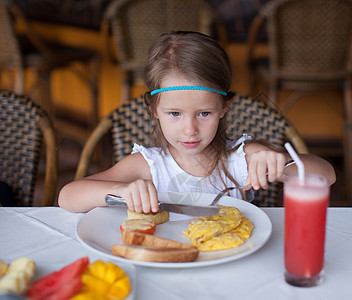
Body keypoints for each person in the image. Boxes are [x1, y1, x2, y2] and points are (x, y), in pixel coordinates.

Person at [58, 31, 336, 213]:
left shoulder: (237, 161)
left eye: (204, 113)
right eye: (174, 114)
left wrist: (279, 163)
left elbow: (327, 175)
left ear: (224, 107)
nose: (189, 129)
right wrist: (120, 189)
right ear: (154, 109)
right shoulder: (148, 166)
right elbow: (68, 197)